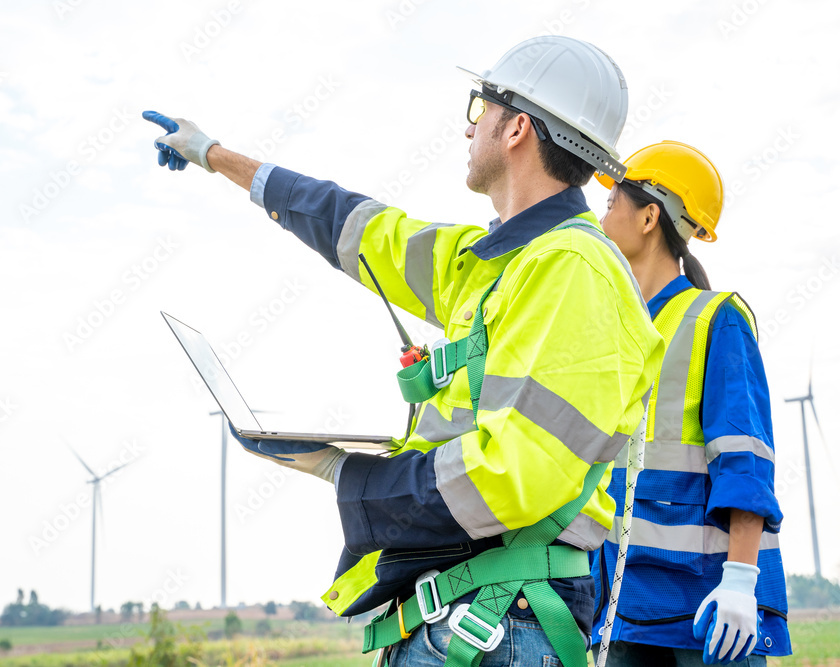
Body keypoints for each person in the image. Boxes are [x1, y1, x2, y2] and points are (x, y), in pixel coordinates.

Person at [146, 35, 664, 667]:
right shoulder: (496, 264)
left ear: (517, 128)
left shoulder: (572, 270)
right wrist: (213, 155)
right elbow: (356, 227)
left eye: (480, 110)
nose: (466, 129)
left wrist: (352, 475)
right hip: (473, 616)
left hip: (505, 623)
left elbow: (517, 474)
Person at [589, 140, 791, 665]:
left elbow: (743, 459)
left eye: (612, 203)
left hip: (710, 609)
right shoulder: (617, 330)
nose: (601, 215)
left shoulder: (715, 318)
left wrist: (741, 581)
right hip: (623, 603)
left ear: (650, 216)